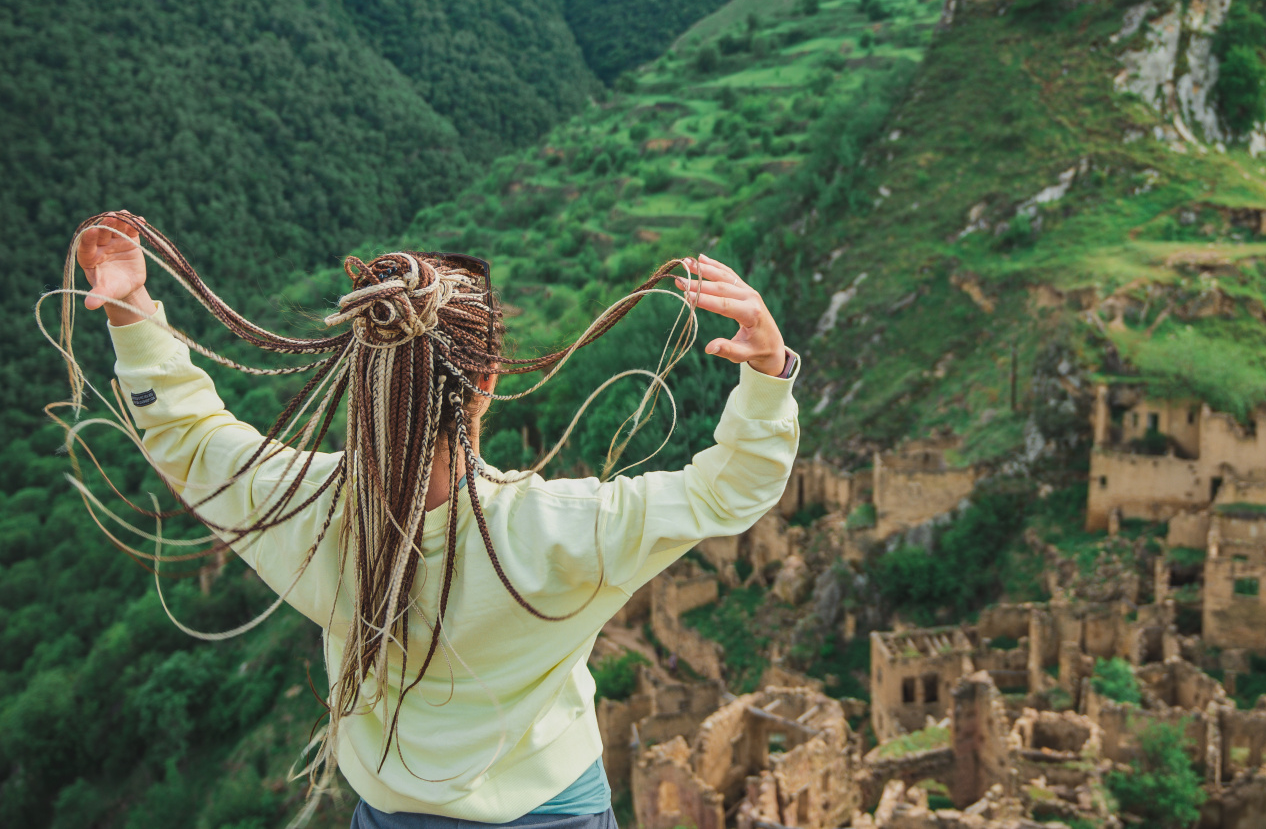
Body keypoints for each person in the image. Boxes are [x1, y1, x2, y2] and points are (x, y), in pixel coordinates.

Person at [73, 212, 800, 829]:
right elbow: (733, 488)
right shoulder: (570, 528)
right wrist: (768, 366)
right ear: (486, 381)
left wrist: (131, 304)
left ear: (363, 368)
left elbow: (189, 437)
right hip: (559, 810)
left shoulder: (308, 509)